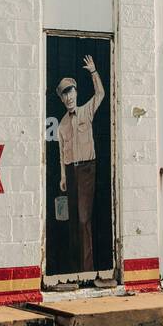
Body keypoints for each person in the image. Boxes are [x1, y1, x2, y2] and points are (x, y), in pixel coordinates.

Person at [55, 54, 104, 274]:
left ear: (76, 92)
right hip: (72, 172)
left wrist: (93, 72)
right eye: (64, 95)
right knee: (74, 221)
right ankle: (76, 269)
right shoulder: (62, 124)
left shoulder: (86, 110)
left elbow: (101, 93)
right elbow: (61, 152)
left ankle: (87, 269)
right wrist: (63, 176)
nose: (69, 97)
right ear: (62, 99)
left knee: (84, 219)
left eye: (71, 92)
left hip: (86, 169)